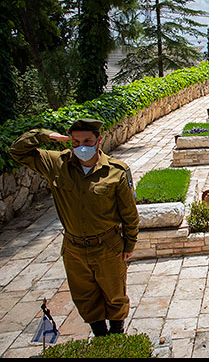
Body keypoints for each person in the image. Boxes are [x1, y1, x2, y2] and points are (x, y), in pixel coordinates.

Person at [9, 119, 139, 337]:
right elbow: (18, 151)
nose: (82, 146)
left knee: (115, 294)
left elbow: (129, 212)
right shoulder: (57, 164)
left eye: (87, 140)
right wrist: (45, 135)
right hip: (74, 248)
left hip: (108, 245)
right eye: (76, 142)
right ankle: (100, 336)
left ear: (98, 140)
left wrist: (130, 243)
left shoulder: (116, 171)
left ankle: (117, 336)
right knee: (84, 297)